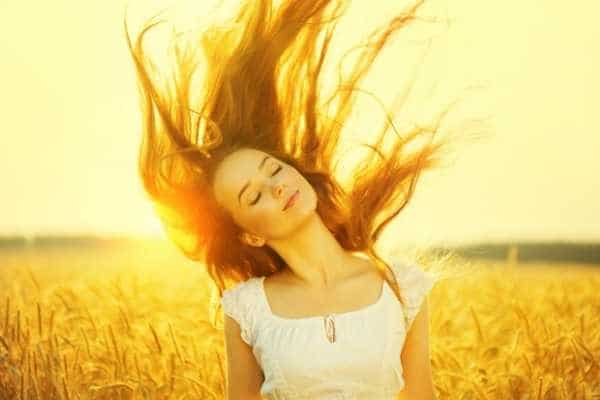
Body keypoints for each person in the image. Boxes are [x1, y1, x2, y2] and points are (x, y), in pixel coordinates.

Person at [124, 0, 471, 398]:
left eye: (274, 170)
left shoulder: (400, 286)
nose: (276, 186)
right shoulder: (247, 309)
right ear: (250, 235)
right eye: (253, 196)